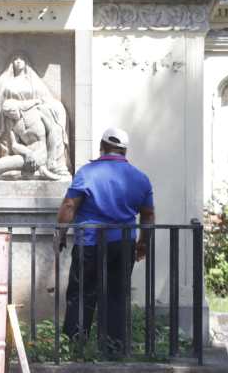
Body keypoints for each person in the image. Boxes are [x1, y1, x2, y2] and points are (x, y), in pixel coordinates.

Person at [56, 127, 155, 355]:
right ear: (125, 150)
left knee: (81, 293)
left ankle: (74, 347)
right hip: (123, 244)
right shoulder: (140, 178)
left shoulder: (87, 172)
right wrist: (142, 244)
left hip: (89, 242)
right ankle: (114, 348)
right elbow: (148, 214)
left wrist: (60, 234)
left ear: (101, 147)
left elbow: (70, 205)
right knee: (117, 295)